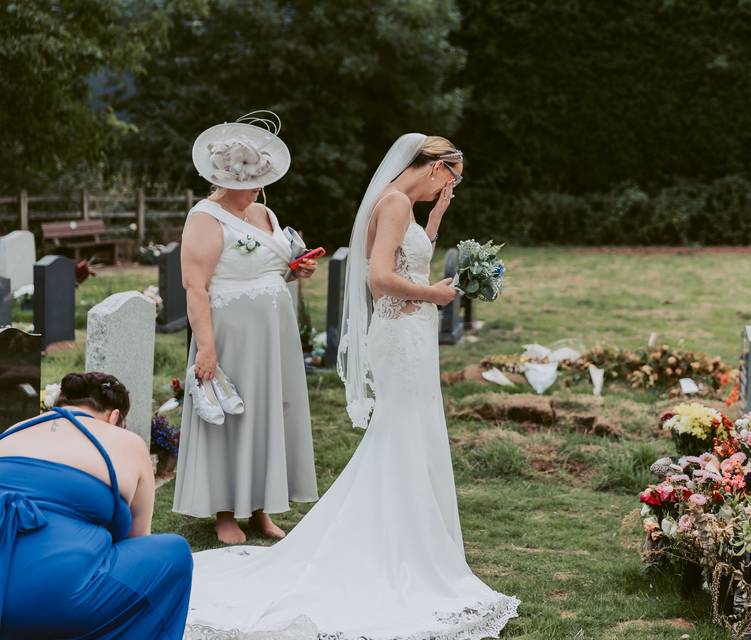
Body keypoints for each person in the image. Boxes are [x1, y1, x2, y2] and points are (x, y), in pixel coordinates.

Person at [183, 134, 520, 639]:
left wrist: (436, 222)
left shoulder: (402, 206)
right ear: (435, 167)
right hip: (399, 334)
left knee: (414, 431)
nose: (452, 187)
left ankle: (412, 533)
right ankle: (393, 540)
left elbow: (409, 254)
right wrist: (433, 293)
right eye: (453, 177)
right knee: (399, 432)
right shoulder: (391, 203)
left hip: (412, 332)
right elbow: (380, 278)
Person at [174, 111, 319, 544]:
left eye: (258, 181)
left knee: (268, 410)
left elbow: (267, 266)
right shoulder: (205, 217)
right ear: (223, 177)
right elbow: (194, 286)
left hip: (273, 331)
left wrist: (296, 270)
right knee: (230, 416)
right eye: (246, 182)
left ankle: (260, 507)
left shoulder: (265, 213)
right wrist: (206, 348)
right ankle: (224, 512)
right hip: (230, 331)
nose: (253, 189)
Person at [0, 372, 192, 639]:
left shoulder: (13, 432)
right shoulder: (127, 442)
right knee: (175, 552)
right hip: (60, 602)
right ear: (115, 417)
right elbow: (137, 539)